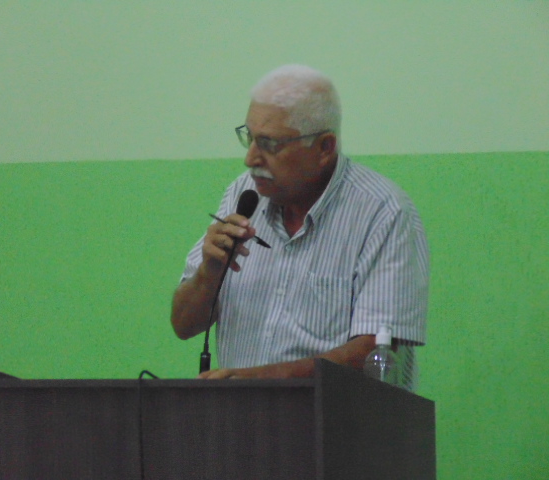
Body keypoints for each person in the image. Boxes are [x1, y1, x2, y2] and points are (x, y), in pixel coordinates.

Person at [171, 65, 428, 390]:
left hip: (340, 419)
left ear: (324, 148)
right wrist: (208, 272)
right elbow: (183, 324)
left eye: (269, 144)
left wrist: (261, 380)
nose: (250, 159)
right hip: (242, 416)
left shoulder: (383, 212)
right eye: (250, 138)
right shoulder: (242, 194)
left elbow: (374, 351)